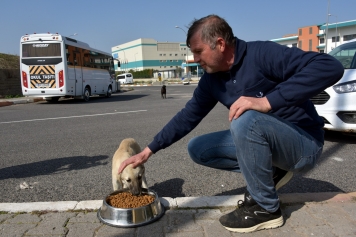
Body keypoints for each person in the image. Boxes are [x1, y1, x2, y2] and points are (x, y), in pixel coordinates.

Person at [118, 15, 344, 233]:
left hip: (304, 144)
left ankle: (266, 209)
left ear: (220, 44)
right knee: (198, 149)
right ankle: (272, 172)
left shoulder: (262, 54)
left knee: (245, 119)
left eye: (198, 51)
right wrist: (148, 150)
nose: (195, 59)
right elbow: (189, 115)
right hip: (272, 144)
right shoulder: (211, 79)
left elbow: (329, 67)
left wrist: (267, 101)